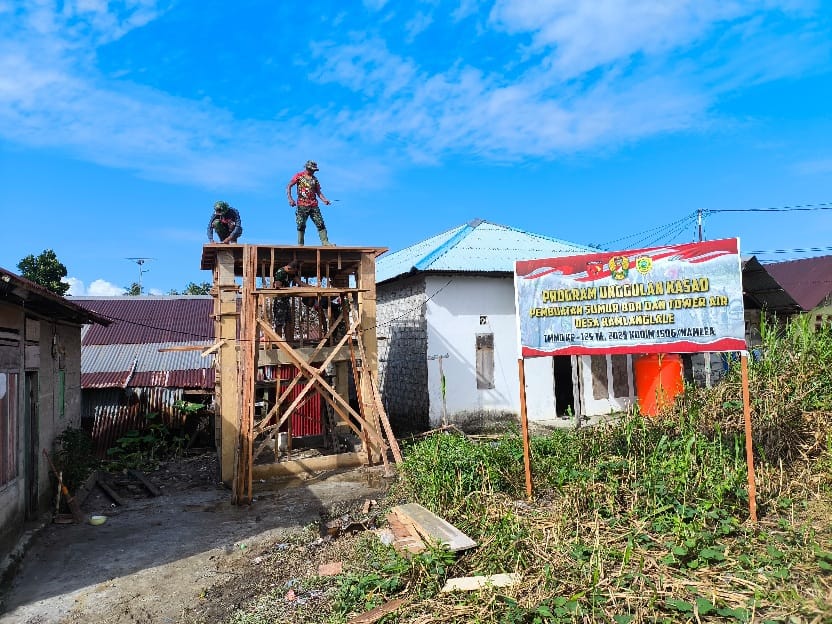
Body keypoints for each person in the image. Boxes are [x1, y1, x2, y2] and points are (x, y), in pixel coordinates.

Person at [286, 160, 333, 246]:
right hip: (302, 205)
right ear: (307, 168)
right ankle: (300, 244)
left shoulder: (315, 180)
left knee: (320, 223)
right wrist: (290, 199)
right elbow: (289, 185)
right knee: (300, 224)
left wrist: (324, 200)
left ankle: (325, 242)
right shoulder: (299, 176)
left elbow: (318, 192)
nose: (313, 171)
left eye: (314, 170)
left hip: (313, 205)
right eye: (312, 170)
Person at [272, 260, 301, 337]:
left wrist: (312, 287)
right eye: (294, 271)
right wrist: (291, 289)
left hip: (286, 300)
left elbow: (300, 283)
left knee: (288, 322)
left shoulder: (291, 273)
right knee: (279, 323)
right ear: (290, 268)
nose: (295, 273)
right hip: (279, 301)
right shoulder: (280, 272)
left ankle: (289, 342)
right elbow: (277, 287)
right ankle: (278, 342)